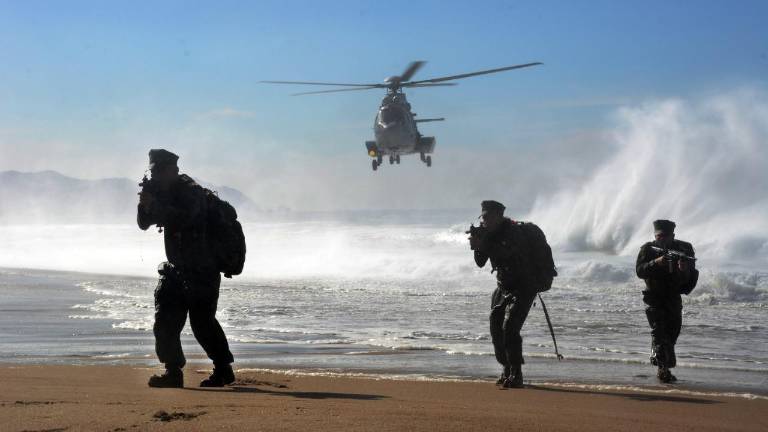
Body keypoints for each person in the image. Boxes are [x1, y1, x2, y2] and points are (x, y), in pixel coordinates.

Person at [138, 149, 235, 388]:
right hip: (176, 268)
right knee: (165, 321)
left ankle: (223, 369)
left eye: (161, 170)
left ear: (174, 170)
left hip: (202, 269)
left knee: (202, 323)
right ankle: (173, 371)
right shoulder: (162, 192)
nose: (157, 175)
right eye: (154, 171)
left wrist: (157, 205)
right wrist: (145, 204)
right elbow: (143, 224)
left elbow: (184, 219)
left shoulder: (191, 193)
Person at [468, 200, 545, 388]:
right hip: (504, 286)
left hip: (525, 285)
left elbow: (505, 254)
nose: (484, 220)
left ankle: (517, 373)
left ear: (498, 216)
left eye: (487, 216)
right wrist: (476, 244)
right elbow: (480, 262)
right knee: (496, 327)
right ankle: (506, 368)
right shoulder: (487, 233)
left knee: (510, 328)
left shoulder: (513, 232)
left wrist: (484, 243)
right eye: (482, 216)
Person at [636, 219, 698, 383]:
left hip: (673, 297)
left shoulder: (683, 249)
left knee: (672, 334)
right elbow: (640, 271)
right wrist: (656, 262)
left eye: (665, 236)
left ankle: (661, 362)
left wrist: (684, 270)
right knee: (659, 332)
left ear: (673, 236)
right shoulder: (648, 249)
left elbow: (689, 278)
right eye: (659, 236)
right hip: (654, 297)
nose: (661, 240)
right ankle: (663, 370)